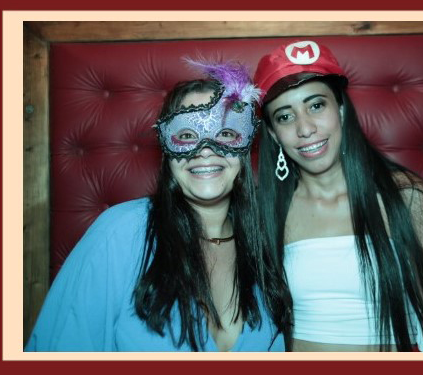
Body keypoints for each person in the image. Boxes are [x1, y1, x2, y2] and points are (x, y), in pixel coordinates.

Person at [26, 63, 287, 353]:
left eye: (225, 133)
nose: (205, 150)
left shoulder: (267, 240)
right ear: (166, 147)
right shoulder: (120, 234)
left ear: (245, 143)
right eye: (186, 135)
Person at [254, 40, 423, 352]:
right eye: (285, 116)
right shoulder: (266, 210)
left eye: (316, 106)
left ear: (341, 108)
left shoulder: (405, 195)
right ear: (272, 133)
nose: (305, 128)